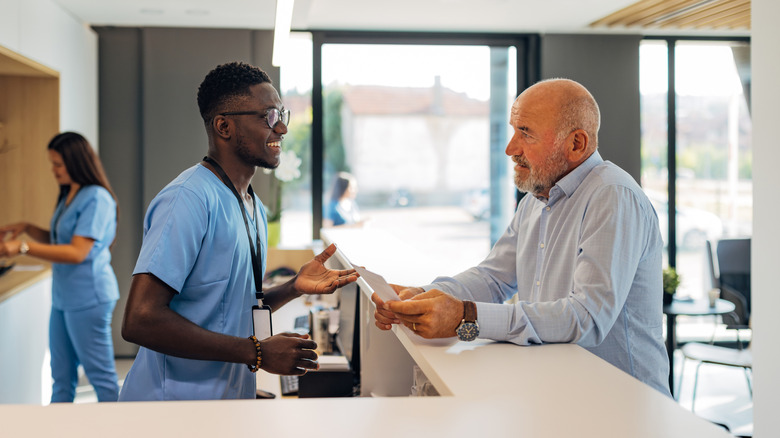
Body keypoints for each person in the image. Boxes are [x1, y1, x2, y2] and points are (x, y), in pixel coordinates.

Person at [373, 78, 670, 396]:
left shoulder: (612, 196)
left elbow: (587, 317)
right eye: (515, 130)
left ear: (576, 144)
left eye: (525, 133)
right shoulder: (536, 200)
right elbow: (493, 278)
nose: (510, 148)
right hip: (562, 395)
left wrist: (466, 317)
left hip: (623, 407)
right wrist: (425, 295)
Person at [118, 61, 359, 401]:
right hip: (171, 406)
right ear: (224, 126)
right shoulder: (187, 199)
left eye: (282, 115)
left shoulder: (251, 205)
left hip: (223, 402)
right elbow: (140, 320)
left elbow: (232, 308)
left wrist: (293, 287)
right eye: (269, 116)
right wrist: (257, 353)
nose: (282, 129)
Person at [0, 132, 121, 402]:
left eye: (58, 164)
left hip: (89, 298)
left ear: (76, 162)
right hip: (63, 298)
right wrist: (27, 228)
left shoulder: (97, 198)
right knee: (61, 377)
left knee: (102, 379)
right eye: (52, 164)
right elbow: (62, 239)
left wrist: (21, 247)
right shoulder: (70, 193)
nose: (53, 171)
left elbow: (77, 252)